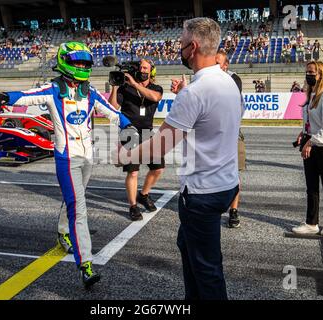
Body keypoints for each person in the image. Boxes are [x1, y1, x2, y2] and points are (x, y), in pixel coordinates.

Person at [0, 41, 133, 288]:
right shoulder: (52, 90)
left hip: (88, 158)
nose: (82, 66)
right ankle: (86, 265)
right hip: (66, 158)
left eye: (85, 62)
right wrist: (3, 97)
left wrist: (128, 125)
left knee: (75, 197)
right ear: (64, 62)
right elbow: (25, 97)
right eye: (77, 62)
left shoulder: (90, 92)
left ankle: (63, 232)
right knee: (79, 208)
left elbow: (113, 112)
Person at [119, 17, 241, 300]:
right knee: (187, 245)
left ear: (193, 47)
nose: (180, 49)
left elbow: (158, 147)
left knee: (207, 270)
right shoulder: (229, 82)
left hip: (201, 192)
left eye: (182, 44)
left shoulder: (195, 93)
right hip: (226, 184)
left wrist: (125, 153)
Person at [109, 59, 164, 221]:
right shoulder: (125, 88)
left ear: (151, 71)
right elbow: (113, 107)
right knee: (133, 171)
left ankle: (143, 194)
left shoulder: (156, 88)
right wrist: (115, 86)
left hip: (147, 132)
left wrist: (134, 84)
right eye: (140, 67)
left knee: (158, 169)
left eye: (145, 67)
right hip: (129, 132)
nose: (141, 69)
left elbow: (154, 98)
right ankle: (133, 205)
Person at [292, 61, 323, 237]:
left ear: (320, 75)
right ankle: (312, 223)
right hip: (310, 142)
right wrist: (302, 133)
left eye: (311, 72)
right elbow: (311, 123)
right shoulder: (310, 96)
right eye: (307, 72)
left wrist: (310, 142)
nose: (308, 75)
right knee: (311, 186)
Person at [215, 49, 245, 228]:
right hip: (212, 135)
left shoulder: (234, 79)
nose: (214, 66)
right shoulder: (207, 78)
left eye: (217, 63)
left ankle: (233, 210)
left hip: (231, 135)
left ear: (226, 65)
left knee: (233, 174)